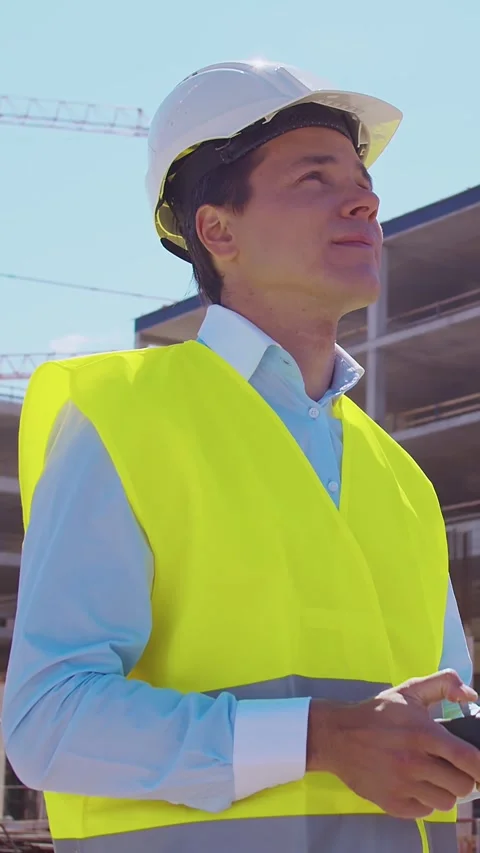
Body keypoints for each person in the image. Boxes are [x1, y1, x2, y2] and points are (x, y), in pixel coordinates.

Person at [3, 59, 480, 853]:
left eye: (361, 180)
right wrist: (321, 739)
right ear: (218, 230)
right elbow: (46, 719)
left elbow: (443, 717)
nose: (365, 199)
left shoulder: (401, 479)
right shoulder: (125, 415)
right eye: (314, 177)